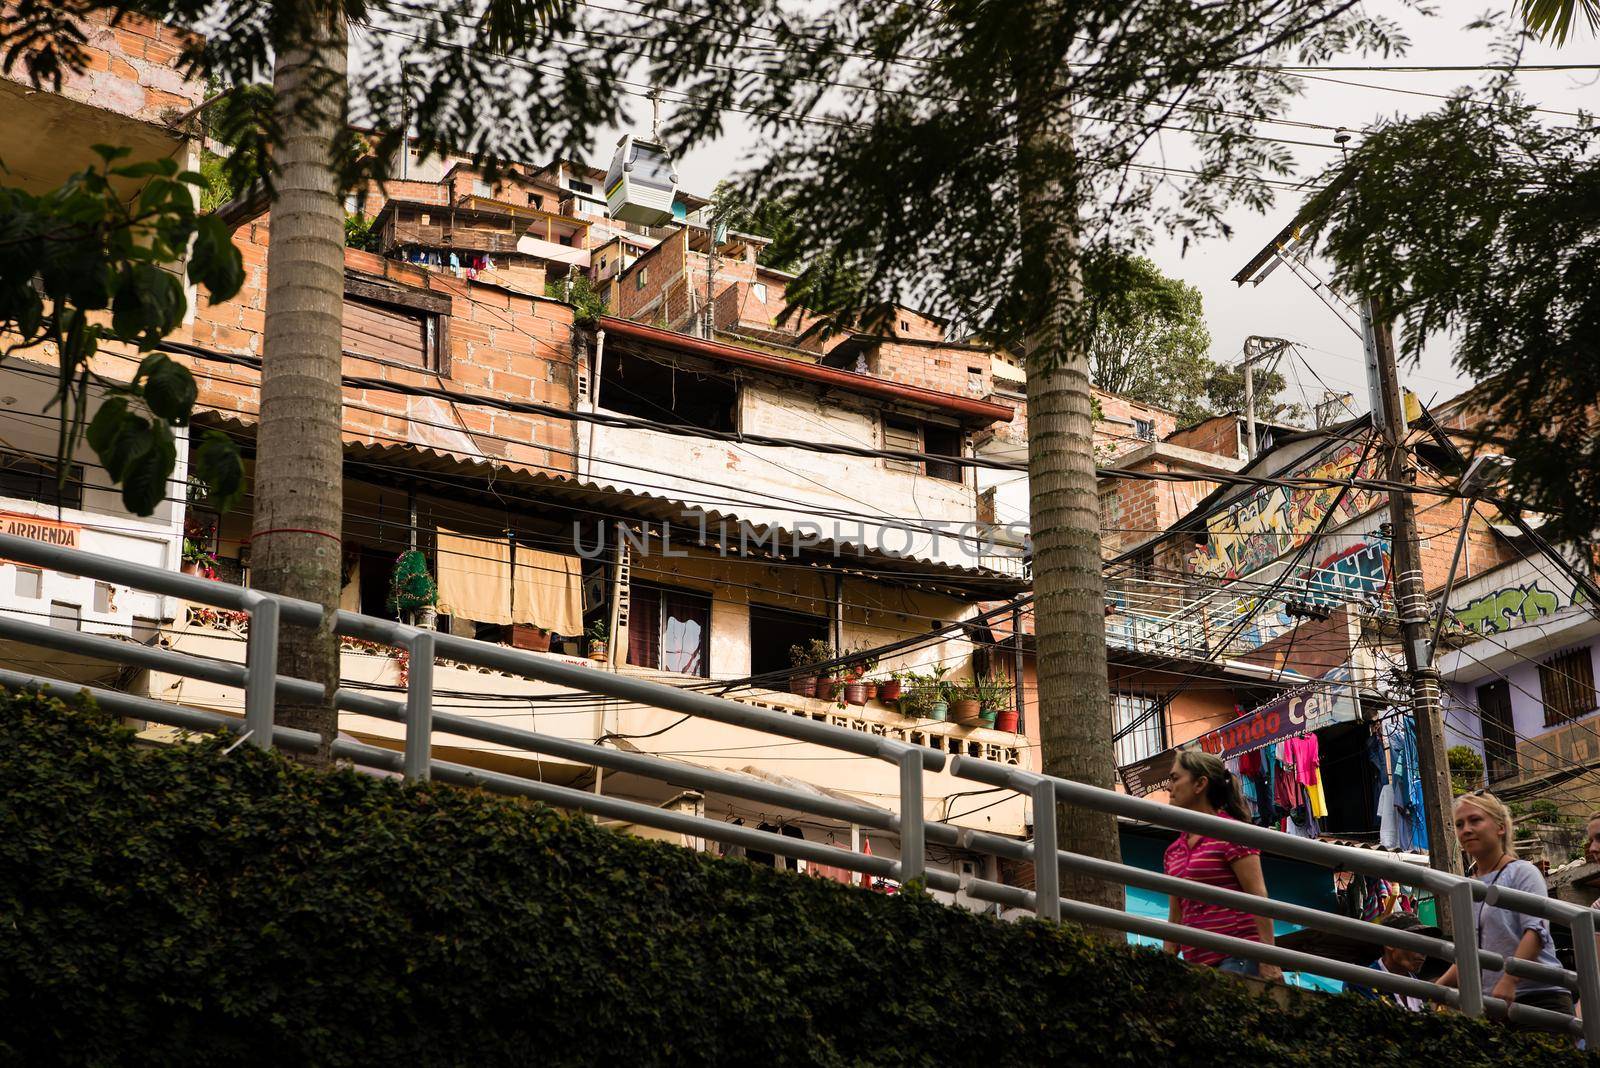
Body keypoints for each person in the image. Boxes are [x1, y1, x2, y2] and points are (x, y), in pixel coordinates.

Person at [1438, 792, 1573, 1025]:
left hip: (1539, 1000)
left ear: (1500, 827)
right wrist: (1437, 988)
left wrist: (1510, 980)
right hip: (1494, 1006)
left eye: (1475, 820)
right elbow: (1471, 956)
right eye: (1460, 824)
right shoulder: (1467, 887)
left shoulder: (1522, 873)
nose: (1466, 829)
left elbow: (1536, 932)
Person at [1162, 748, 1281, 981]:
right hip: (1197, 966)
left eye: (1175, 778)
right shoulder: (1173, 851)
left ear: (1200, 784)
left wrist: (1269, 960)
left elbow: (1258, 895)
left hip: (1238, 958)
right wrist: (1165, 967)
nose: (1168, 787)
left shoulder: (1231, 834)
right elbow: (1176, 917)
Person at [1348, 911, 1440, 1011]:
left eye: (1425, 944)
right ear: (1389, 943)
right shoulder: (1364, 982)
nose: (1423, 952)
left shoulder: (1418, 987)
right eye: (1415, 942)